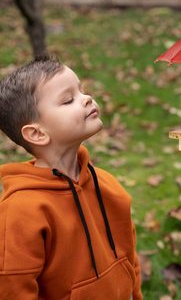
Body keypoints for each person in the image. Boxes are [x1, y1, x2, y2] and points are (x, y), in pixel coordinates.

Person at [0, 56, 142, 300]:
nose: (86, 98)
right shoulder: (21, 211)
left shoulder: (106, 185)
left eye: (81, 90)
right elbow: (13, 287)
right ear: (36, 133)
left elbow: (129, 256)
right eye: (68, 100)